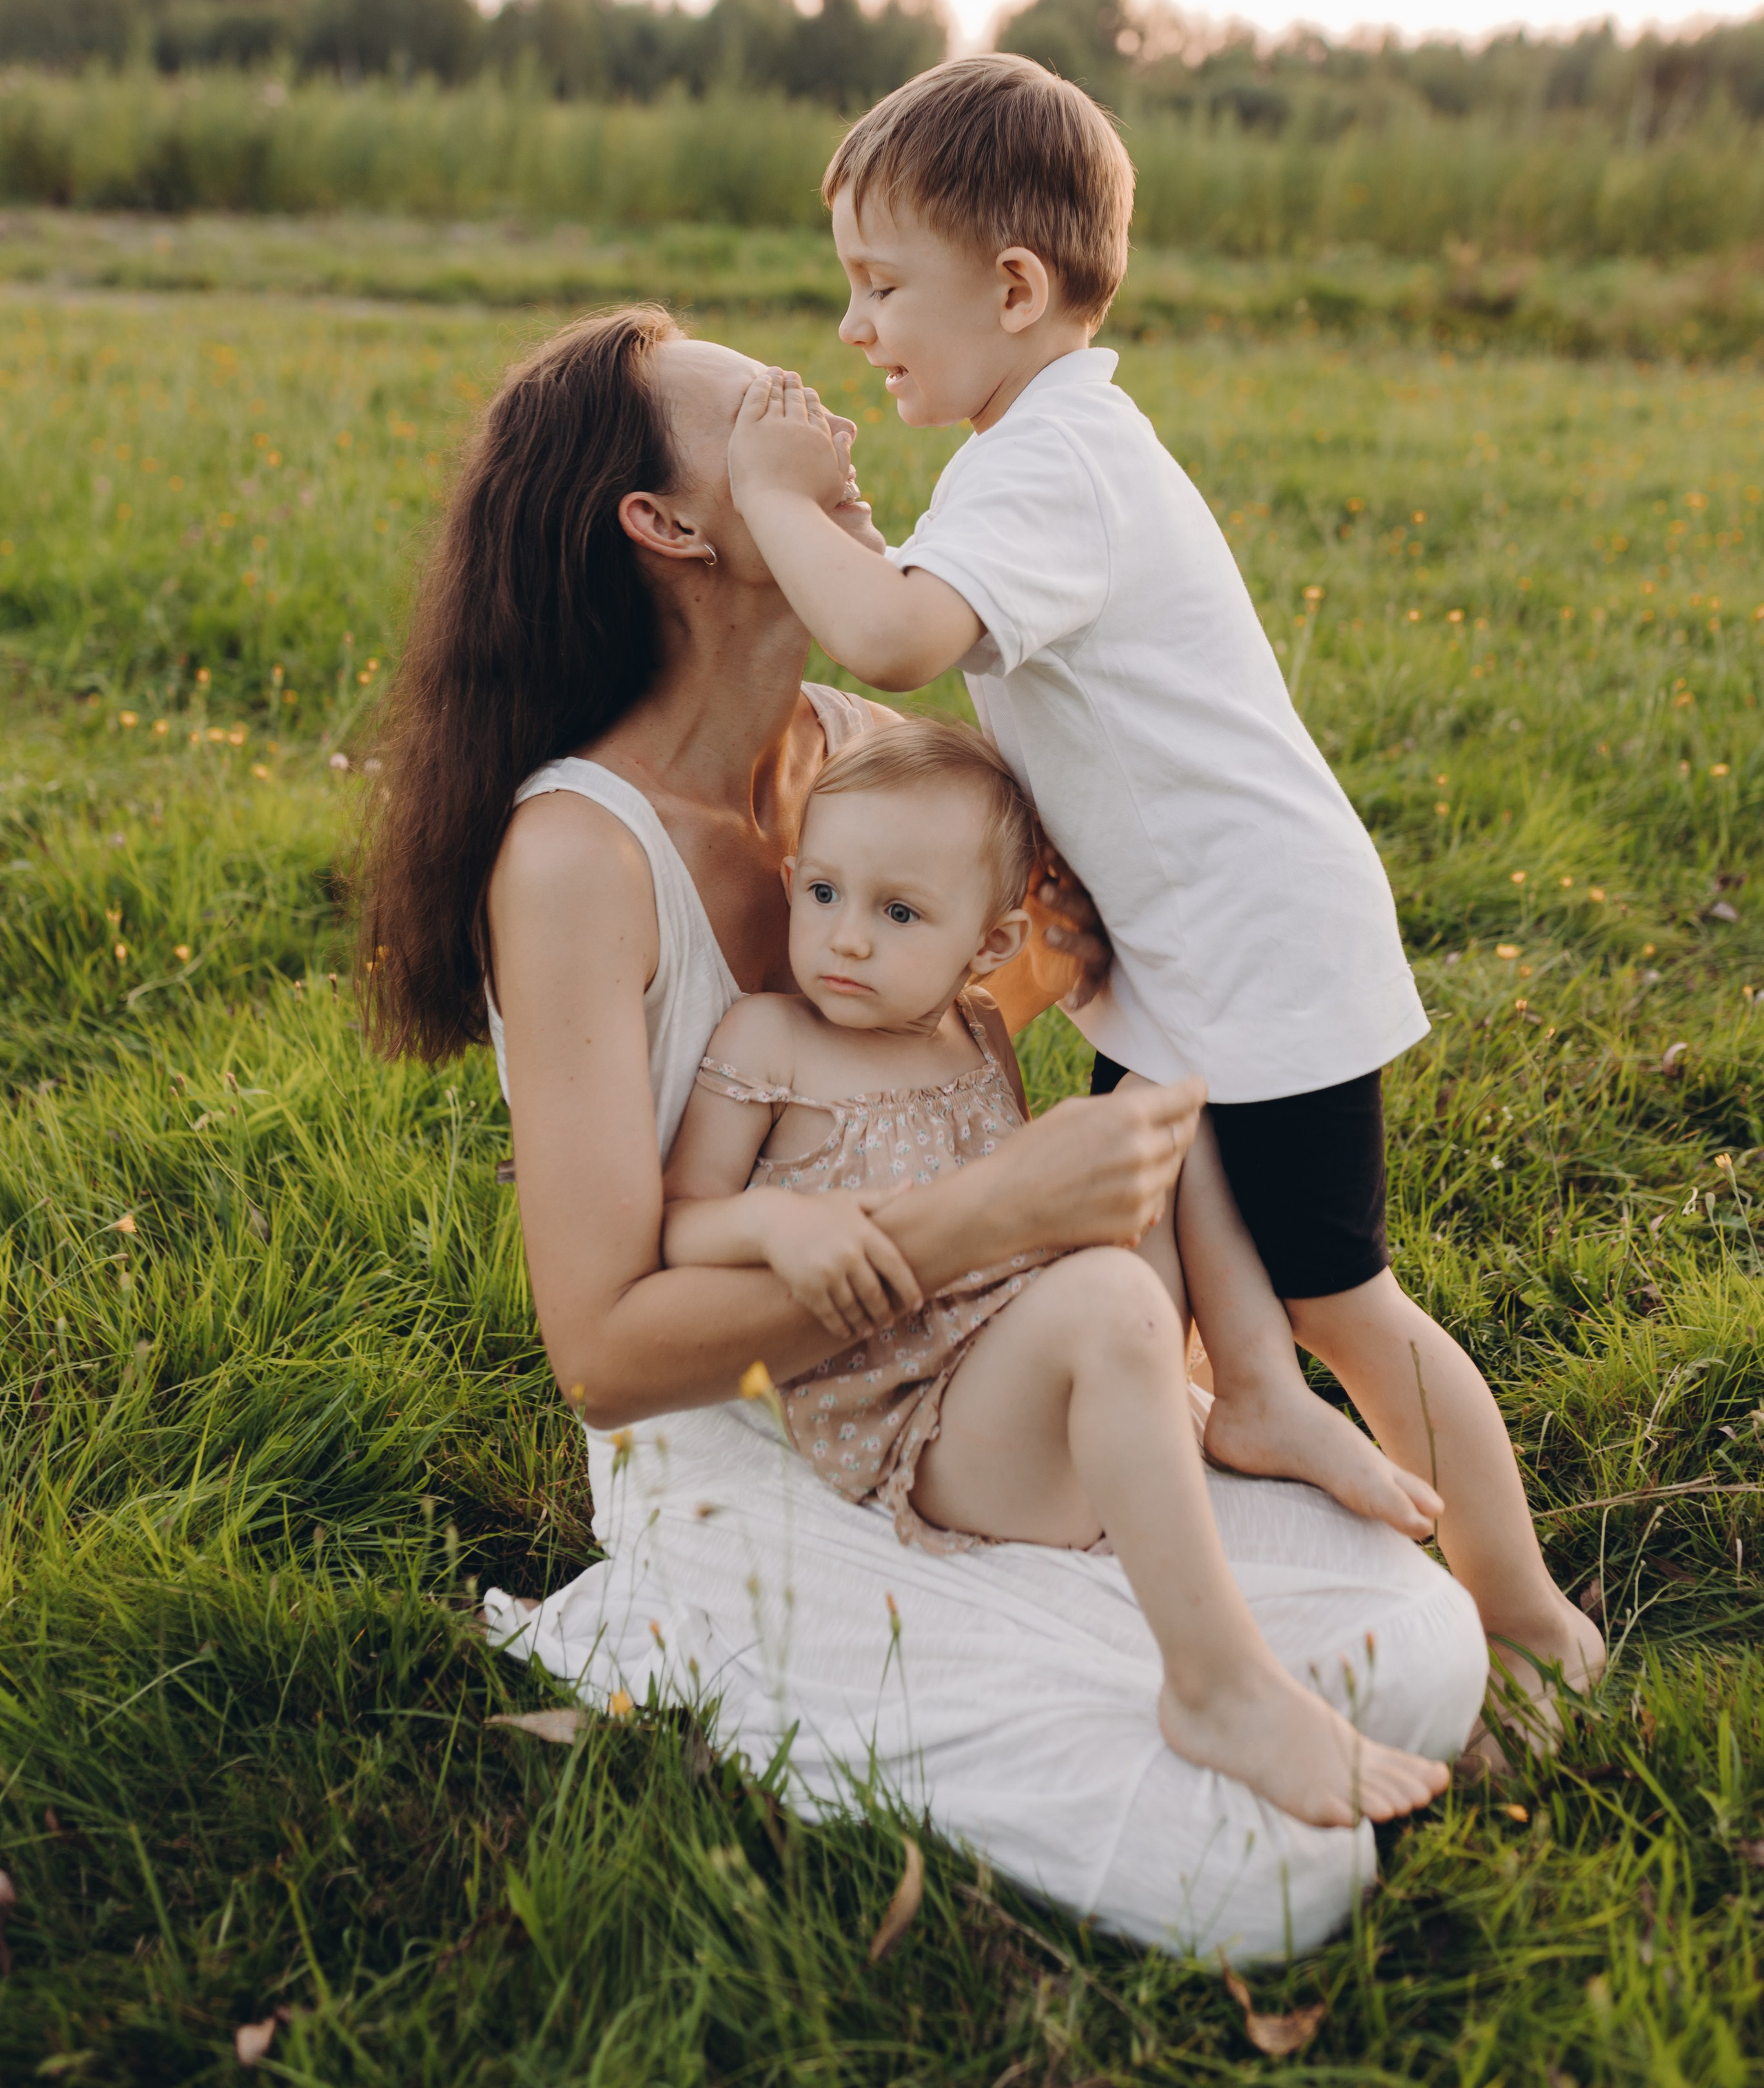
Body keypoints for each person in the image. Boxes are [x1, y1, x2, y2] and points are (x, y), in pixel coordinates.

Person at [358, 301, 1486, 1961]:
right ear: (667, 528)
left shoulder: (860, 766)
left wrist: (1019, 984)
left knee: (1427, 1649)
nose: (832, 421)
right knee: (1271, 1881)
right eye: (769, 415)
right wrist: (981, 1221)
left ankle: (1185, 1662)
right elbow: (603, 1354)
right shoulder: (578, 859)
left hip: (975, 1379)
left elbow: (886, 1082)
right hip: (747, 1454)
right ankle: (952, 1664)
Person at [723, 52, 1602, 1745]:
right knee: (1146, 1257)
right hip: (1185, 953)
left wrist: (771, 500)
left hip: (1256, 952)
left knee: (1335, 1286)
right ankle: (1233, 1468)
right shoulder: (1033, 447)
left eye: (878, 286)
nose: (853, 328)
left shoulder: (1055, 463)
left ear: (1013, 287)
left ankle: (1524, 1611)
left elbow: (897, 631)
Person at [663, 715, 1450, 1828]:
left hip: (1031, 1373)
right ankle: (1220, 1687)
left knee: (1162, 1097)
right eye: (825, 894)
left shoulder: (977, 1029)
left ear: (986, 947)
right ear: (790, 880)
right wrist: (774, 1231)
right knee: (1105, 1294)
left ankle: (1255, 1389)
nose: (846, 940)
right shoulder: (766, 1043)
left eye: (899, 913)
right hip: (928, 1432)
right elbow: (683, 1223)